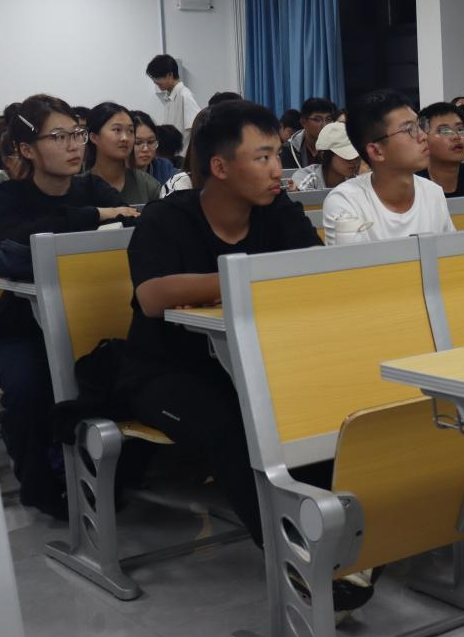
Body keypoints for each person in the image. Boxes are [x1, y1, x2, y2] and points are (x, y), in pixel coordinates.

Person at [117, 101, 319, 549]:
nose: (277, 169)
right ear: (220, 166)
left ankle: (338, 537)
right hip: (166, 373)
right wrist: (243, 279)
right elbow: (152, 296)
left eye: (277, 155)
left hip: (254, 364)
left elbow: (312, 269)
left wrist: (224, 283)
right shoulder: (167, 217)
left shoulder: (277, 210)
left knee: (315, 408)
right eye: (262, 157)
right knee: (235, 427)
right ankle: (294, 555)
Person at [0, 95, 138, 515]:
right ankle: (42, 487)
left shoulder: (90, 187)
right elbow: (18, 241)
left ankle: (116, 474)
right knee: (31, 385)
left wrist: (100, 213)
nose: (73, 146)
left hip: (93, 318)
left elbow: (132, 223)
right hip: (20, 331)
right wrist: (96, 215)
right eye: (59, 136)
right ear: (27, 149)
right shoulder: (7, 198)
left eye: (77, 134)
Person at [321, 92, 454, 244]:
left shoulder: (433, 193)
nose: (423, 135)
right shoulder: (346, 202)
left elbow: (450, 253)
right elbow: (352, 259)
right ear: (376, 151)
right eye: (409, 129)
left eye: (419, 125)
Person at [82, 102, 162, 204]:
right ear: (94, 137)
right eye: (117, 130)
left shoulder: (147, 185)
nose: (125, 138)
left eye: (130, 131)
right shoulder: (76, 187)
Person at [145, 54, 202, 153]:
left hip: (182, 156)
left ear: (170, 75)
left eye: (157, 78)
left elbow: (198, 128)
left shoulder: (185, 95)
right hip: (172, 154)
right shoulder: (169, 97)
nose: (155, 82)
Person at [291, 121, 365, 191]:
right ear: (323, 154)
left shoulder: (357, 182)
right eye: (347, 157)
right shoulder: (306, 177)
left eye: (356, 157)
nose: (354, 161)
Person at [280, 97, 337, 170]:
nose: (324, 125)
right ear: (303, 122)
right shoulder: (288, 150)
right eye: (317, 119)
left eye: (328, 119)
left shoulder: (336, 148)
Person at [130, 110, 179, 185]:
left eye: (151, 142)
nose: (146, 149)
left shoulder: (163, 167)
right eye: (138, 143)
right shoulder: (115, 171)